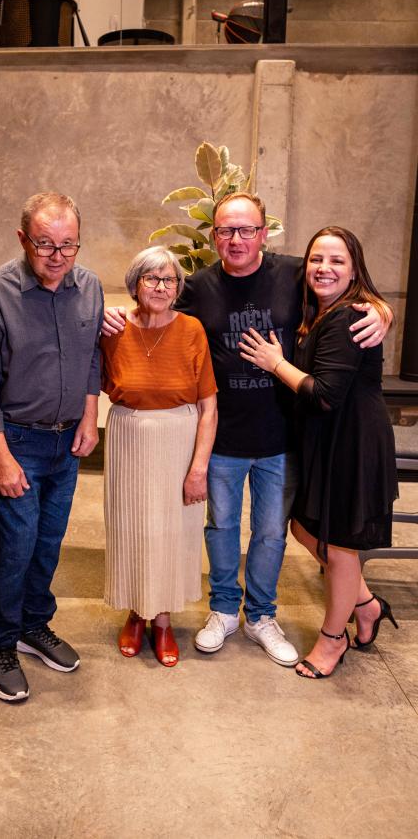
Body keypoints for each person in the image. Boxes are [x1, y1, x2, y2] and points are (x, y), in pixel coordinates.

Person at [103, 192, 391, 667]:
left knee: (272, 533)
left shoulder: (295, 273)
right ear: (214, 235)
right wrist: (113, 315)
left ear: (264, 232)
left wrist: (382, 310)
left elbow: (341, 283)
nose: (235, 239)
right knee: (219, 529)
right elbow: (154, 310)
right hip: (221, 437)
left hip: (283, 437)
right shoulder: (195, 287)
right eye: (225, 230)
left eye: (246, 230)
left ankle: (260, 616)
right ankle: (222, 611)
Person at [239, 226, 398, 678]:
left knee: (337, 544)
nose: (324, 268)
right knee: (306, 531)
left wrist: (276, 364)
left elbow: (325, 394)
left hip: (352, 442)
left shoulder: (349, 316)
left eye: (337, 261)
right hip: (327, 441)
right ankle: (365, 605)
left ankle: (333, 640)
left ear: (355, 270)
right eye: (316, 260)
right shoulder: (323, 308)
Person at [0, 192, 103, 703]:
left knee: (48, 544)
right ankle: (1, 641)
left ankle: (33, 625)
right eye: (45, 244)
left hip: (67, 442)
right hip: (17, 440)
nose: (57, 256)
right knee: (15, 548)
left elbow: (92, 358)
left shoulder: (88, 287)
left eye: (68, 245)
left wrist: (90, 417)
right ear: (22, 238)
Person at [101, 247, 217, 666]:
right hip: (128, 435)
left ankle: (163, 619)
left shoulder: (191, 330)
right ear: (135, 284)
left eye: (169, 280)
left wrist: (198, 468)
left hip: (179, 438)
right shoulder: (112, 327)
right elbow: (84, 381)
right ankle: (136, 612)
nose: (161, 287)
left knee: (172, 531)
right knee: (131, 527)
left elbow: (209, 407)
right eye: (151, 278)